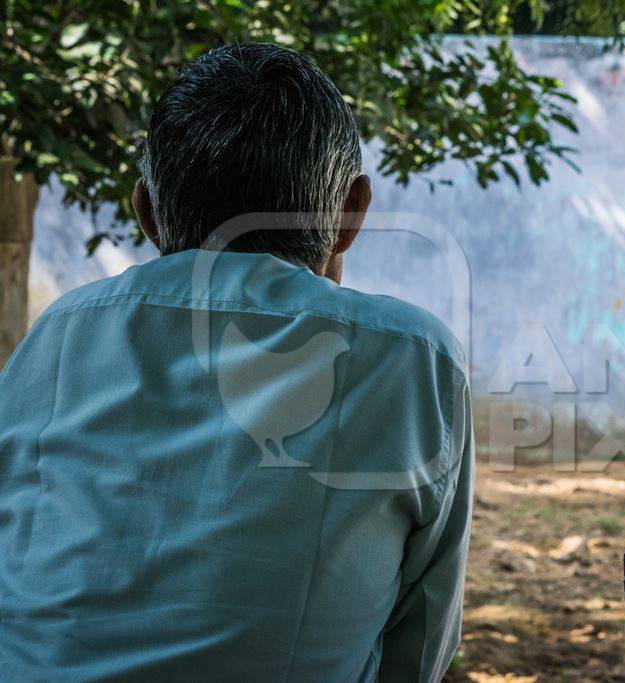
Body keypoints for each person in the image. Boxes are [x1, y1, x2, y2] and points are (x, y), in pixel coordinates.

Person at [0, 43, 473, 682]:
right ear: (352, 214)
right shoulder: (410, 356)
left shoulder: (59, 333)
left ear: (146, 210)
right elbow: (417, 651)